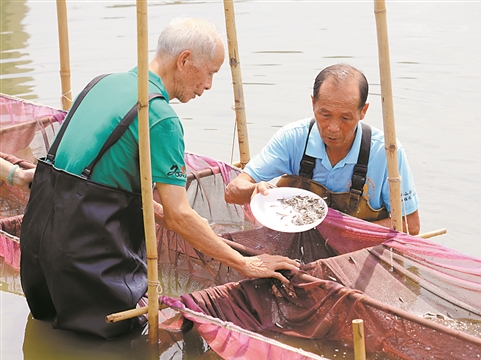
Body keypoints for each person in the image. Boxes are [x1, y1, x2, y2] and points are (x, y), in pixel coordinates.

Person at [19, 17, 299, 339]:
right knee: (118, 348)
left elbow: (101, 183)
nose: (208, 85)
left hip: (38, 247)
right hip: (87, 261)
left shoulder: (101, 83)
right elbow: (180, 215)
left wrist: (197, 230)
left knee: (49, 337)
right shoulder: (159, 116)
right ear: (184, 60)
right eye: (210, 73)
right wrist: (246, 265)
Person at [225, 63, 420, 235]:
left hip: (358, 250)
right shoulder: (293, 138)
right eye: (324, 114)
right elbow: (232, 191)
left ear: (363, 111)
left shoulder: (386, 153)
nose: (333, 128)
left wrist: (345, 234)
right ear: (313, 103)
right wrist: (255, 190)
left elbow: (410, 224)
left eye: (345, 118)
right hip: (294, 243)